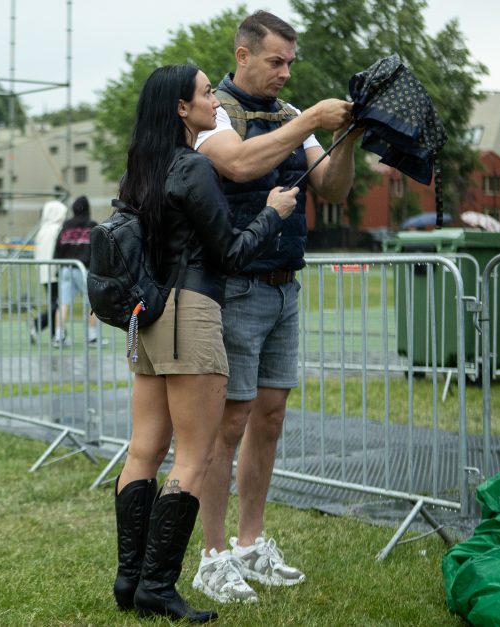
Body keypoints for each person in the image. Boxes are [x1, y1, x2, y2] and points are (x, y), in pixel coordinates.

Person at [111, 63, 297, 622]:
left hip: (149, 315)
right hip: (192, 312)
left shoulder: (140, 168)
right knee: (191, 457)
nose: (215, 99)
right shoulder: (192, 167)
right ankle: (158, 586)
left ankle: (130, 578)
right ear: (180, 108)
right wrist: (272, 213)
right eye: (205, 92)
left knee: (143, 448)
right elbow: (232, 253)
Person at [190, 10, 360, 603]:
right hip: (234, 287)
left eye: (291, 62)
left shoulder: (291, 117)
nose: (286, 73)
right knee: (227, 423)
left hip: (286, 285)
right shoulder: (213, 114)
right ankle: (211, 557)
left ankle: (249, 544)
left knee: (269, 419)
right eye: (275, 61)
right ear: (242, 55)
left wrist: (349, 135)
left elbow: (333, 189)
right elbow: (238, 164)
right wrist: (314, 118)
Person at [52, 196, 100, 347]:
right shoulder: (92, 225)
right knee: (94, 303)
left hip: (66, 268)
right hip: (84, 269)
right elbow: (97, 249)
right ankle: (92, 337)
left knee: (63, 303)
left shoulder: (66, 225)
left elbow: (58, 247)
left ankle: (59, 337)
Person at [30, 199, 68, 344]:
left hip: (45, 272)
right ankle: (38, 324)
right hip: (55, 272)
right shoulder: (57, 230)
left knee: (55, 303)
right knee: (57, 304)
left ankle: (55, 334)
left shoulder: (43, 229)